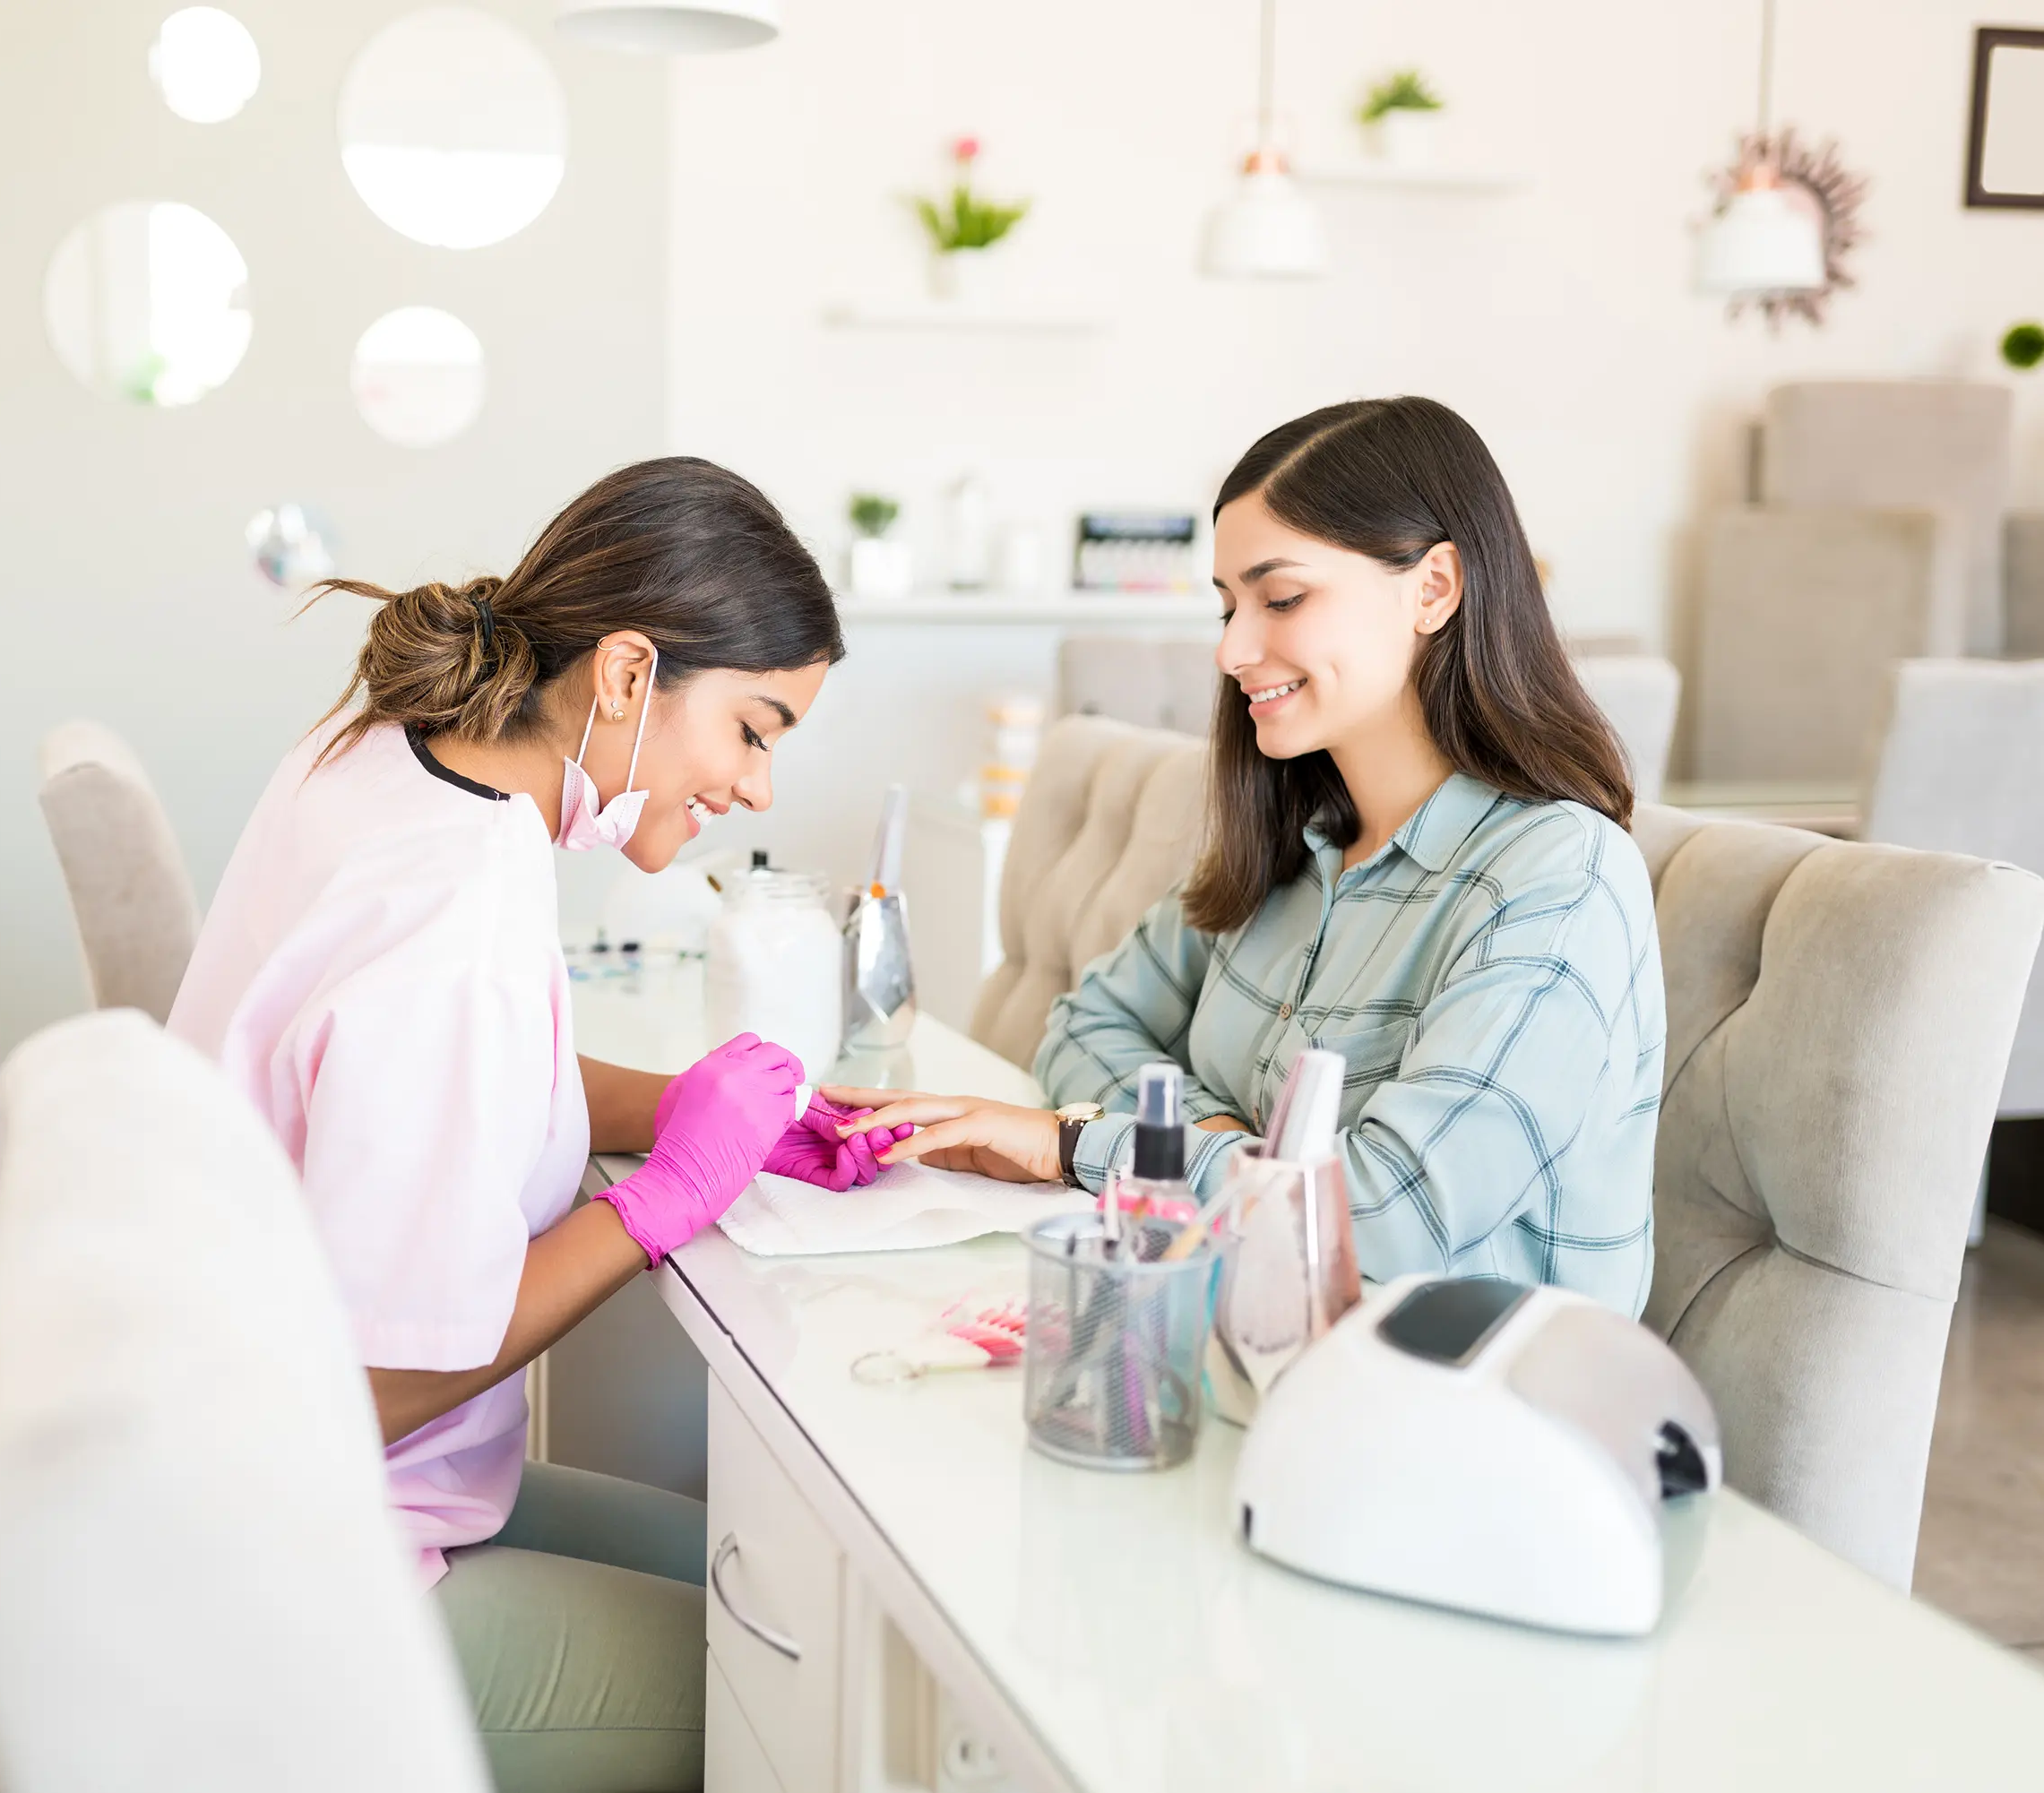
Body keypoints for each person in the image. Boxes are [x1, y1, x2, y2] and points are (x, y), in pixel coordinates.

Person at [167, 457, 896, 1793]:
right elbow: (385, 1379)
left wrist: (683, 1108)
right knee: (830, 1694)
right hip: (278, 1581)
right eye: (754, 729)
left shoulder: (397, 758)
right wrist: (662, 1198)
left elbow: (459, 1079)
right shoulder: (455, 920)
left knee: (752, 1569)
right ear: (626, 676)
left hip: (223, 1467)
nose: (757, 788)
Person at [831, 396, 1666, 1316]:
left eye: (1282, 598)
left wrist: (1079, 1146)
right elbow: (1084, 1026)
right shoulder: (1295, 845)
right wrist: (1222, 1137)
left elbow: (1386, 1220)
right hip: (1254, 1352)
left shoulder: (1556, 879)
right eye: (1229, 606)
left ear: (1433, 588)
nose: (1232, 648)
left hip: (1466, 1419)